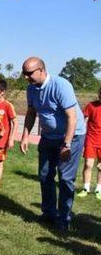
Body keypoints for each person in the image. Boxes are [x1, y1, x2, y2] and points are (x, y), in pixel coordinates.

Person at [20, 57, 86, 232]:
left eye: (29, 73)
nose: (26, 77)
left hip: (72, 135)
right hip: (49, 137)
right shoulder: (31, 89)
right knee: (44, 175)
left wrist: (67, 144)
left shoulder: (61, 85)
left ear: (41, 70)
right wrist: (25, 136)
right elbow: (31, 112)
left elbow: (72, 117)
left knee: (65, 178)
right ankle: (49, 213)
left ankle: (63, 219)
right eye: (24, 74)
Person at [79, 86, 101, 199]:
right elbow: (83, 121)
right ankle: (85, 188)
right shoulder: (91, 106)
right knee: (88, 164)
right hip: (91, 140)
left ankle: (98, 189)